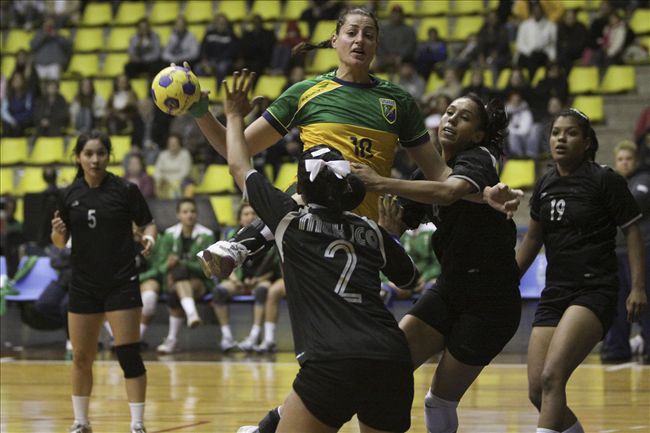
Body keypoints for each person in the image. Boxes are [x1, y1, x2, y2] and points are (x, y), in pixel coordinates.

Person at [189, 8, 518, 281]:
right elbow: (235, 150)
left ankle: (243, 243)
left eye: (369, 35)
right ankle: (240, 246)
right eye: (352, 33)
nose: (360, 40)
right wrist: (202, 112)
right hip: (310, 222)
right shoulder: (304, 92)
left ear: (376, 46)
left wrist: (482, 194)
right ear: (335, 40)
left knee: (356, 336)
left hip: (362, 231)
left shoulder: (398, 102)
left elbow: (440, 175)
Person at [224, 70, 420, 433]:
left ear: (300, 185)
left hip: (333, 360)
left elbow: (239, 164)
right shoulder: (372, 230)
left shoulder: (288, 218)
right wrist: (390, 235)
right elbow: (409, 278)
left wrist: (235, 116)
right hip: (391, 357)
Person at [352, 94, 522, 433]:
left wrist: (379, 180)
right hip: (450, 288)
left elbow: (447, 192)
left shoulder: (480, 157)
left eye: (464, 117)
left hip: (491, 302)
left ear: (477, 134)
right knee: (387, 366)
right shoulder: (422, 175)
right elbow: (397, 221)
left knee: (437, 400)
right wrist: (387, 229)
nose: (451, 119)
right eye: (449, 112)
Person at [516, 110, 646, 433]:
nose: (561, 138)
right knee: (537, 391)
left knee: (551, 377)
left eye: (571, 133)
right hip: (555, 293)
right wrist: (506, 281)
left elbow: (632, 232)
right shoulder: (545, 183)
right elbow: (533, 238)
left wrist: (638, 287)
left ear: (587, 142)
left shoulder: (605, 180)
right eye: (556, 132)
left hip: (594, 291)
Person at [50, 130, 157, 433]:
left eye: (101, 153)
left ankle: (137, 424)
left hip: (121, 280)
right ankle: (81, 422)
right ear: (78, 158)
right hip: (84, 284)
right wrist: (58, 231)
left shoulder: (125, 190)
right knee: (82, 357)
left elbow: (148, 222)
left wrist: (148, 238)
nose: (95, 160)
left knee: (127, 353)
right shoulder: (68, 195)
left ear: (109, 156)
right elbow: (59, 242)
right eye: (88, 154)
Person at [601, 141, 650, 364]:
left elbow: (636, 202)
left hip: (642, 250)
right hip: (616, 250)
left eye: (628, 158)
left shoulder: (643, 180)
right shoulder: (615, 183)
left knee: (643, 298)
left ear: (636, 161)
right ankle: (617, 348)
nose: (624, 163)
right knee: (617, 301)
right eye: (620, 159)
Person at [212, 203, 281, 352]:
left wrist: (259, 279)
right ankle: (227, 337)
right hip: (239, 281)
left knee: (263, 291)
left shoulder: (268, 236)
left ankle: (254, 335)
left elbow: (274, 265)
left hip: (262, 279)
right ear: (240, 219)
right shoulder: (233, 237)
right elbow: (224, 261)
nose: (250, 217)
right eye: (246, 214)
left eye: (253, 214)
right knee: (219, 292)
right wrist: (234, 279)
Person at [155, 198, 215, 354]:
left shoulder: (207, 235)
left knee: (176, 291)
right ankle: (191, 314)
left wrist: (182, 263)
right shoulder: (169, 235)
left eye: (193, 211)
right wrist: (168, 264)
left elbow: (208, 270)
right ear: (178, 215)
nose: (190, 215)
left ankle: (172, 339)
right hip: (174, 280)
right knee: (178, 285)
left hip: (199, 282)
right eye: (185, 212)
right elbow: (160, 268)